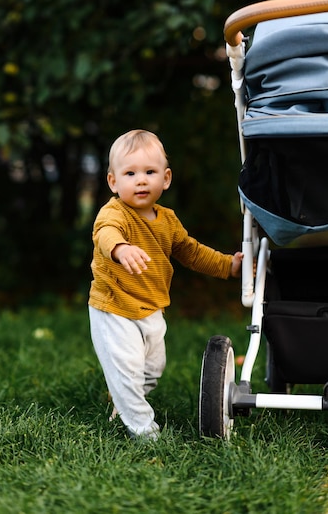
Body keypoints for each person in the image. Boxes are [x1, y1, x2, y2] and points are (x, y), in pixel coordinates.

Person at [88, 129, 243, 440]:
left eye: (150, 172)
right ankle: (144, 430)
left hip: (151, 307)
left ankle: (124, 401)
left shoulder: (168, 221)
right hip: (115, 306)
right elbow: (105, 233)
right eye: (130, 173)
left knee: (152, 370)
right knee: (128, 370)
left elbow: (192, 252)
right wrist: (121, 248)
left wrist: (228, 265)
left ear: (166, 178)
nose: (141, 180)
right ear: (113, 182)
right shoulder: (114, 213)